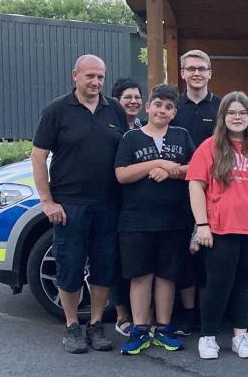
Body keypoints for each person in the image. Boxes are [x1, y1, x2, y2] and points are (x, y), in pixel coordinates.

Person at [30, 54, 127, 354]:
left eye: (100, 77)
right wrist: (47, 201)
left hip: (108, 204)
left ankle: (96, 325)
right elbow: (38, 156)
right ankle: (72, 326)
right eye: (90, 76)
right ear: (75, 75)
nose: (96, 82)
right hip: (70, 206)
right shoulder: (57, 110)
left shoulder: (115, 110)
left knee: (103, 268)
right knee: (69, 268)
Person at [188, 91, 248, 360]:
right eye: (232, 113)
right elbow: (196, 185)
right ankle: (208, 337)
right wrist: (201, 224)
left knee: (244, 284)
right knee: (217, 283)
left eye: (242, 113)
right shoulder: (210, 147)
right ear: (223, 116)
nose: (237, 117)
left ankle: (240, 336)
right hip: (219, 228)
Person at [114, 84, 195, 355]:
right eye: (158, 104)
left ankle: (163, 328)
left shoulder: (182, 136)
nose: (163, 110)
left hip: (174, 220)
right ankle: (139, 329)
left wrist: (173, 171)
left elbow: (195, 170)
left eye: (169, 107)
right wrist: (156, 163)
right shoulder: (131, 138)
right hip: (136, 221)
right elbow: (122, 174)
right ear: (148, 107)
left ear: (174, 113)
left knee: (167, 276)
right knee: (140, 275)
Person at [170, 49, 222, 335]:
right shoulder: (174, 107)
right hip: (180, 195)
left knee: (213, 258)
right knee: (185, 258)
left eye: (202, 68)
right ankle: (189, 314)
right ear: (183, 74)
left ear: (210, 73)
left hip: (218, 196)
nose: (197, 73)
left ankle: (210, 311)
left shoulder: (223, 107)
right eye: (191, 69)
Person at [110, 78, 143, 337]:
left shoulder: (145, 128)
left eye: (136, 97)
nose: (133, 101)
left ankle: (144, 314)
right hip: (113, 201)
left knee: (139, 263)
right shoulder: (111, 129)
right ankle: (122, 313)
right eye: (127, 97)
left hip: (139, 207)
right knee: (117, 260)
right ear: (116, 102)